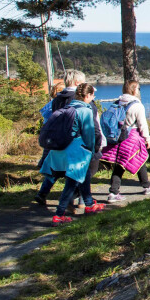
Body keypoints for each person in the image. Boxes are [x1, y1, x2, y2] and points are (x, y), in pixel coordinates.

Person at [39, 83, 106, 225]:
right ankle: (59, 214)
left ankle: (89, 204)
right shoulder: (85, 111)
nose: (93, 98)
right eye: (93, 95)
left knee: (84, 176)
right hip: (76, 151)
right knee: (72, 182)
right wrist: (92, 150)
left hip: (60, 149)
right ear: (87, 96)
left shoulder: (67, 107)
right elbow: (88, 134)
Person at [35, 70, 87, 206]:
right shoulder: (76, 97)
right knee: (78, 169)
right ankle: (77, 199)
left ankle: (42, 193)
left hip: (57, 138)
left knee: (55, 168)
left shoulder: (58, 98)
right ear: (77, 83)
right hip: (74, 138)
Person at [104, 80, 150, 202]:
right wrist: (147, 139)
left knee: (122, 163)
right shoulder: (137, 105)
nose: (139, 91)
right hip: (132, 136)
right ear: (134, 90)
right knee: (137, 160)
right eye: (138, 89)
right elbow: (142, 124)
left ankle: (116, 191)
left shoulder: (117, 102)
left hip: (118, 137)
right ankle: (144, 186)